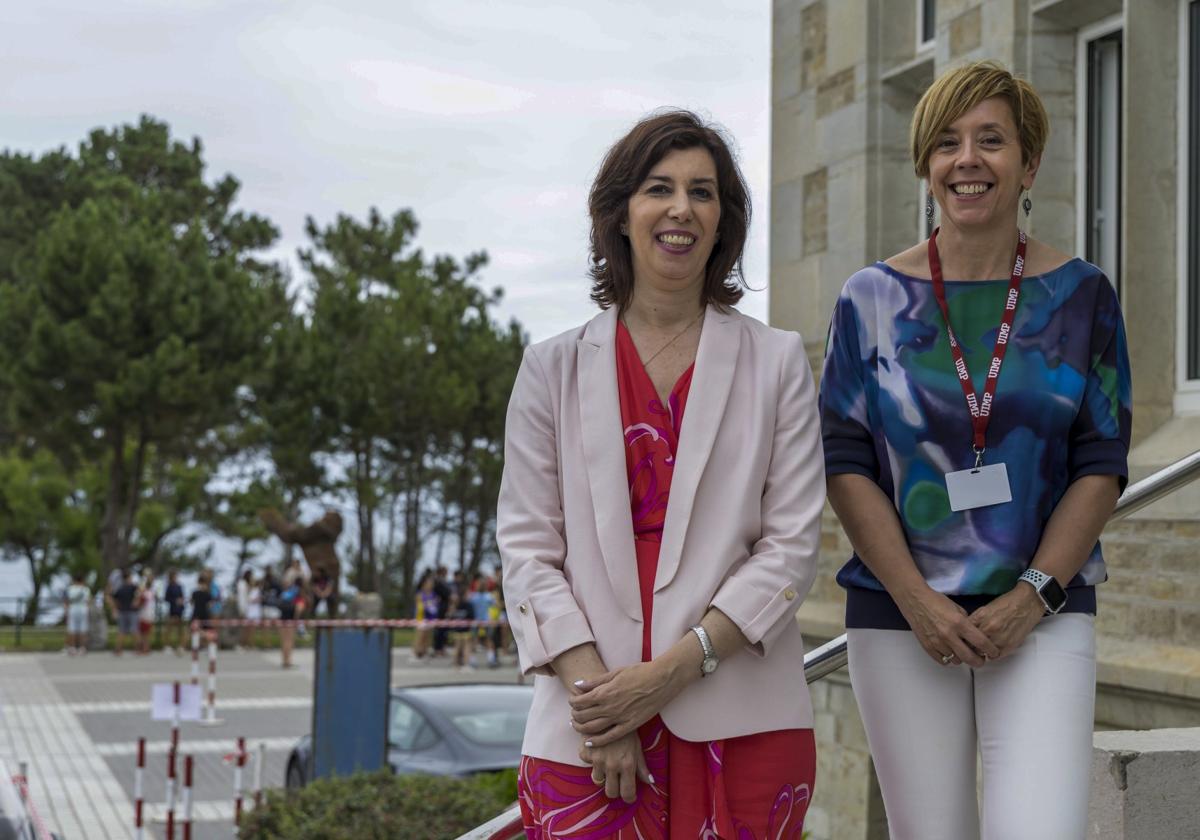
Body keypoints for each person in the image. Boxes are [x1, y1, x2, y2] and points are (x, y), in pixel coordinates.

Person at [818, 61, 1132, 840]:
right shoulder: (869, 300)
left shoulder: (1083, 295)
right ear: (926, 166)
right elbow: (846, 460)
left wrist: (1032, 596)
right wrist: (920, 602)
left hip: (1044, 610)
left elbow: (1102, 461)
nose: (968, 160)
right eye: (947, 143)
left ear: (1029, 163)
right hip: (899, 618)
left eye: (991, 140)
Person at [498, 110, 825, 837]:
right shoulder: (548, 370)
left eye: (703, 192)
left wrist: (670, 674)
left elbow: (791, 550)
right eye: (659, 188)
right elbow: (526, 550)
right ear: (619, 213)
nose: (682, 208)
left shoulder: (777, 363)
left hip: (745, 722)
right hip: (586, 730)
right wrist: (603, 705)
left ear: (723, 220)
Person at [108, 569, 140, 656]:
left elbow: (113, 598)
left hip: (122, 611)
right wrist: (136, 601)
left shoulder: (120, 589)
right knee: (134, 630)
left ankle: (118, 650)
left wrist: (115, 608)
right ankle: (138, 649)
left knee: (121, 631)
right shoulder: (134, 587)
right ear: (129, 577)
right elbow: (139, 593)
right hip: (132, 612)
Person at [411, 570, 440, 661]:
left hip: (431, 617)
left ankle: (424, 652)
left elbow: (435, 604)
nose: (430, 585)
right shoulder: (420, 594)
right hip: (421, 617)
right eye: (428, 583)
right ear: (424, 584)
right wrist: (427, 606)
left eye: (431, 584)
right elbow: (420, 606)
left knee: (428, 636)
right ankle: (415, 653)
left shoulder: (433, 594)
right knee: (420, 636)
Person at [63, 573, 90, 655]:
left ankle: (72, 648)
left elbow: (66, 601)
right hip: (83, 609)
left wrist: (66, 611)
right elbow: (88, 601)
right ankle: (82, 648)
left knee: (72, 629)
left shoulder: (70, 589)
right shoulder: (85, 589)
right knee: (83, 629)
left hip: (73, 609)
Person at [163, 570, 186, 654]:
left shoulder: (179, 586)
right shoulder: (169, 586)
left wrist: (181, 601)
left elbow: (182, 596)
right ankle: (167, 646)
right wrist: (174, 600)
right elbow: (166, 598)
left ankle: (181, 646)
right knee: (169, 628)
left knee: (181, 629)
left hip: (179, 610)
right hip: (172, 609)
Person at [136, 571, 157, 655]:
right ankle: (147, 648)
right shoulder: (152, 593)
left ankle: (143, 649)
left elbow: (139, 604)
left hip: (144, 615)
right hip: (150, 615)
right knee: (147, 633)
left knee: (142, 633)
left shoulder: (144, 594)